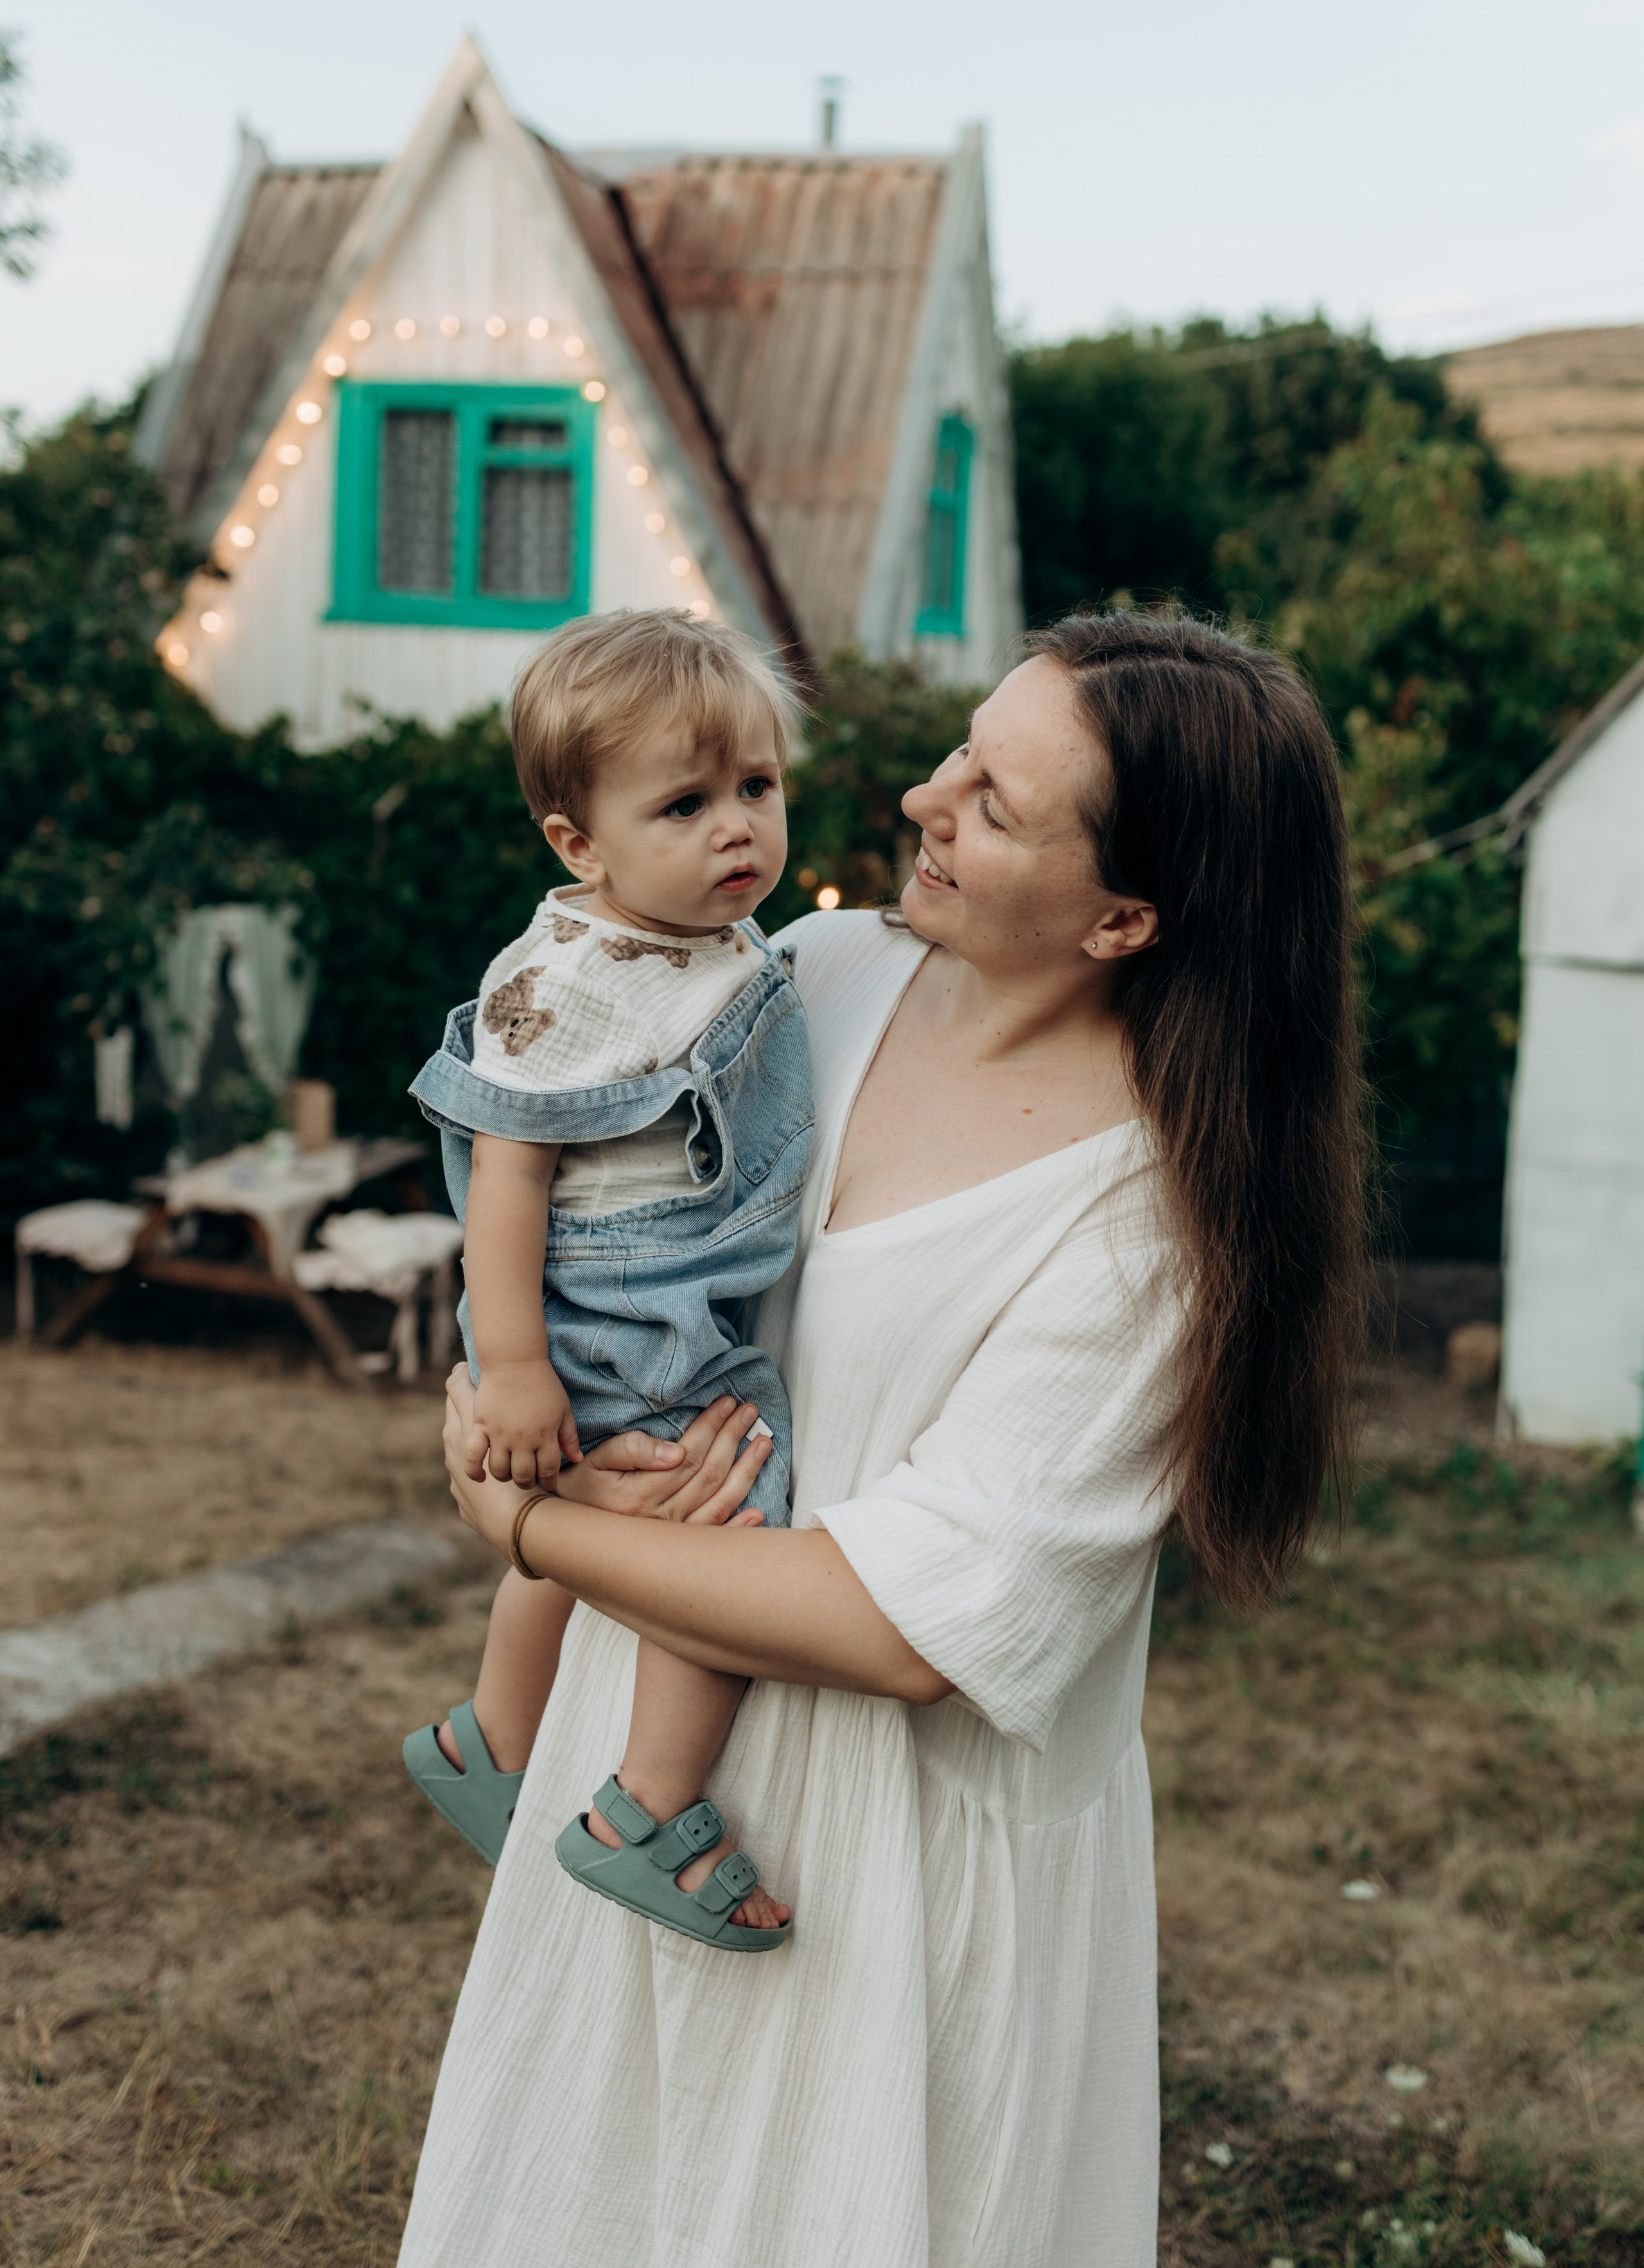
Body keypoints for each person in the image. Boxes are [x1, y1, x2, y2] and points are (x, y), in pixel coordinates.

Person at [396, 610, 1365, 2268]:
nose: (924, 795)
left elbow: (904, 1628)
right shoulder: (803, 979)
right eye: (960, 751)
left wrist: (532, 1537)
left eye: (994, 800)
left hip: (893, 1871)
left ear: (1125, 915)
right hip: (643, 1759)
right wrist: (519, 1389)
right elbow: (572, 1195)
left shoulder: (1150, 1224)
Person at [401, 608, 810, 1946]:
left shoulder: (709, 933)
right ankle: (647, 1807)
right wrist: (511, 1366)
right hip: (622, 1293)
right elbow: (505, 1178)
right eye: (684, 804)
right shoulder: (567, 980)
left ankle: (491, 1741)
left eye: (756, 787)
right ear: (578, 844)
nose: (735, 830)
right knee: (723, 1534)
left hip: (663, 1272)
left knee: (580, 1554)